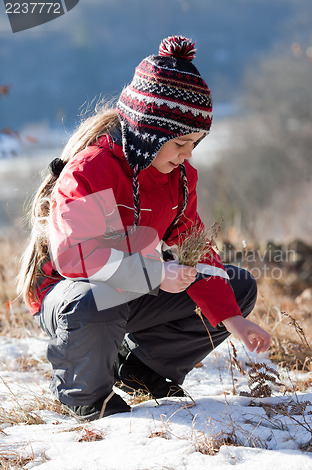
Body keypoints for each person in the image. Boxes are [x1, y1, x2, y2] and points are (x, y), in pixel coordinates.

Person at [17, 35, 271, 421]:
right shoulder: (95, 169)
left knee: (237, 286)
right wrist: (155, 273)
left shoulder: (178, 178)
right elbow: (77, 257)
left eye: (195, 144)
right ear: (148, 132)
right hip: (70, 292)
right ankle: (85, 395)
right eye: (180, 143)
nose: (187, 155)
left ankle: (143, 369)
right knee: (92, 300)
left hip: (131, 286)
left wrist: (233, 319)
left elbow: (193, 250)